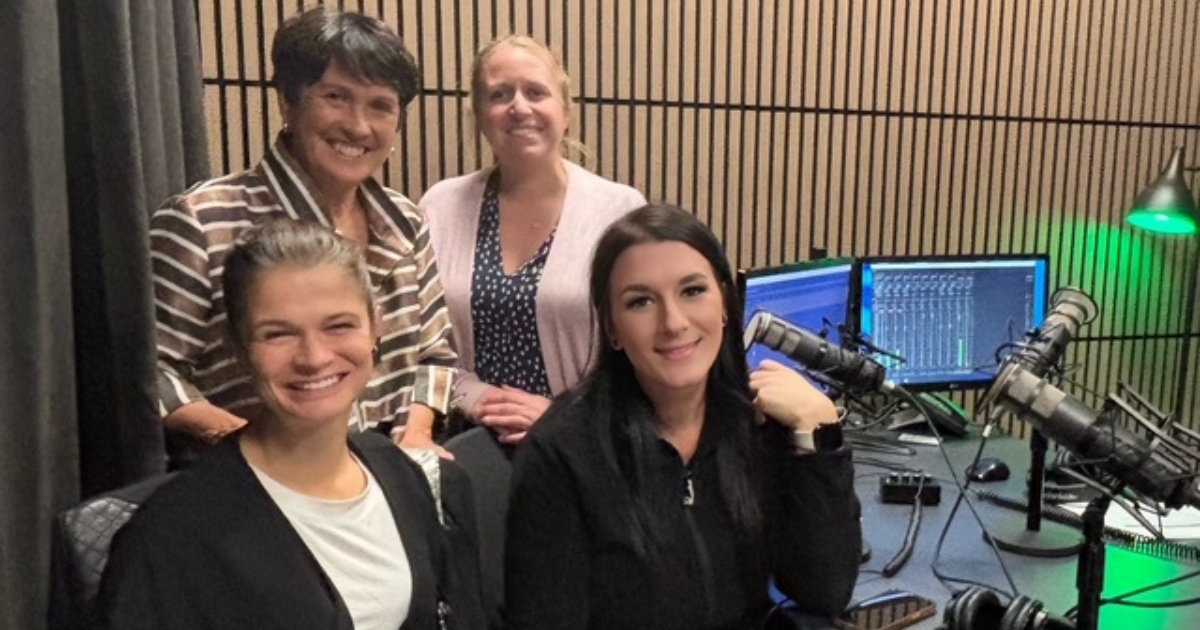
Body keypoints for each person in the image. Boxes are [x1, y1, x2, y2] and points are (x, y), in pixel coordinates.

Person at [94, 220, 483, 629]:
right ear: (237, 346)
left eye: (339, 325)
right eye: (278, 334)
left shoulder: (402, 477)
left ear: (375, 327)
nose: (314, 358)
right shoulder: (170, 537)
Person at [504, 204, 862, 630]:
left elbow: (824, 591)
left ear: (725, 304)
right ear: (612, 329)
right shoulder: (562, 451)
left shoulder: (756, 423)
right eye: (640, 302)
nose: (673, 323)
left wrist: (819, 434)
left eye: (692, 291)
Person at [152, 7, 455, 452]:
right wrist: (254, 450)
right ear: (288, 103)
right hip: (252, 479)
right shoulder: (201, 221)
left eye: (380, 106)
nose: (358, 126)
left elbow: (434, 355)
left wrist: (416, 438)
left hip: (384, 469)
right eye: (336, 97)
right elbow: (153, 374)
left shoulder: (405, 221)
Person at [418, 35, 646, 447]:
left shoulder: (620, 210)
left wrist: (561, 416)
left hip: (584, 443)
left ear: (566, 111)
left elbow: (642, 348)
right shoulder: (440, 206)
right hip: (466, 445)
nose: (519, 107)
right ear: (479, 116)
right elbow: (419, 340)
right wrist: (477, 398)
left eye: (536, 92)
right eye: (499, 94)